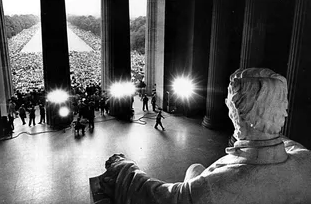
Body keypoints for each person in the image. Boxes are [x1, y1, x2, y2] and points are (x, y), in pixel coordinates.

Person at [98, 68, 311, 204]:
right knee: (196, 171)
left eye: (230, 103)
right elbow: (285, 145)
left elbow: (157, 197)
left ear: (236, 111)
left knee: (195, 170)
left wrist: (125, 169)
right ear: (282, 110)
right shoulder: (306, 160)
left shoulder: (214, 188)